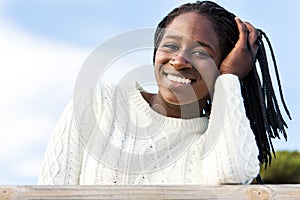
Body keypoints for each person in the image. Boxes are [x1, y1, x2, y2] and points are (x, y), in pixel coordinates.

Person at [38, 1, 290, 185]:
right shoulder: (98, 102)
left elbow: (233, 172)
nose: (179, 61)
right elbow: (50, 190)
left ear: (223, 65)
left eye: (201, 53)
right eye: (170, 46)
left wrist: (229, 80)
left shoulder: (215, 140)